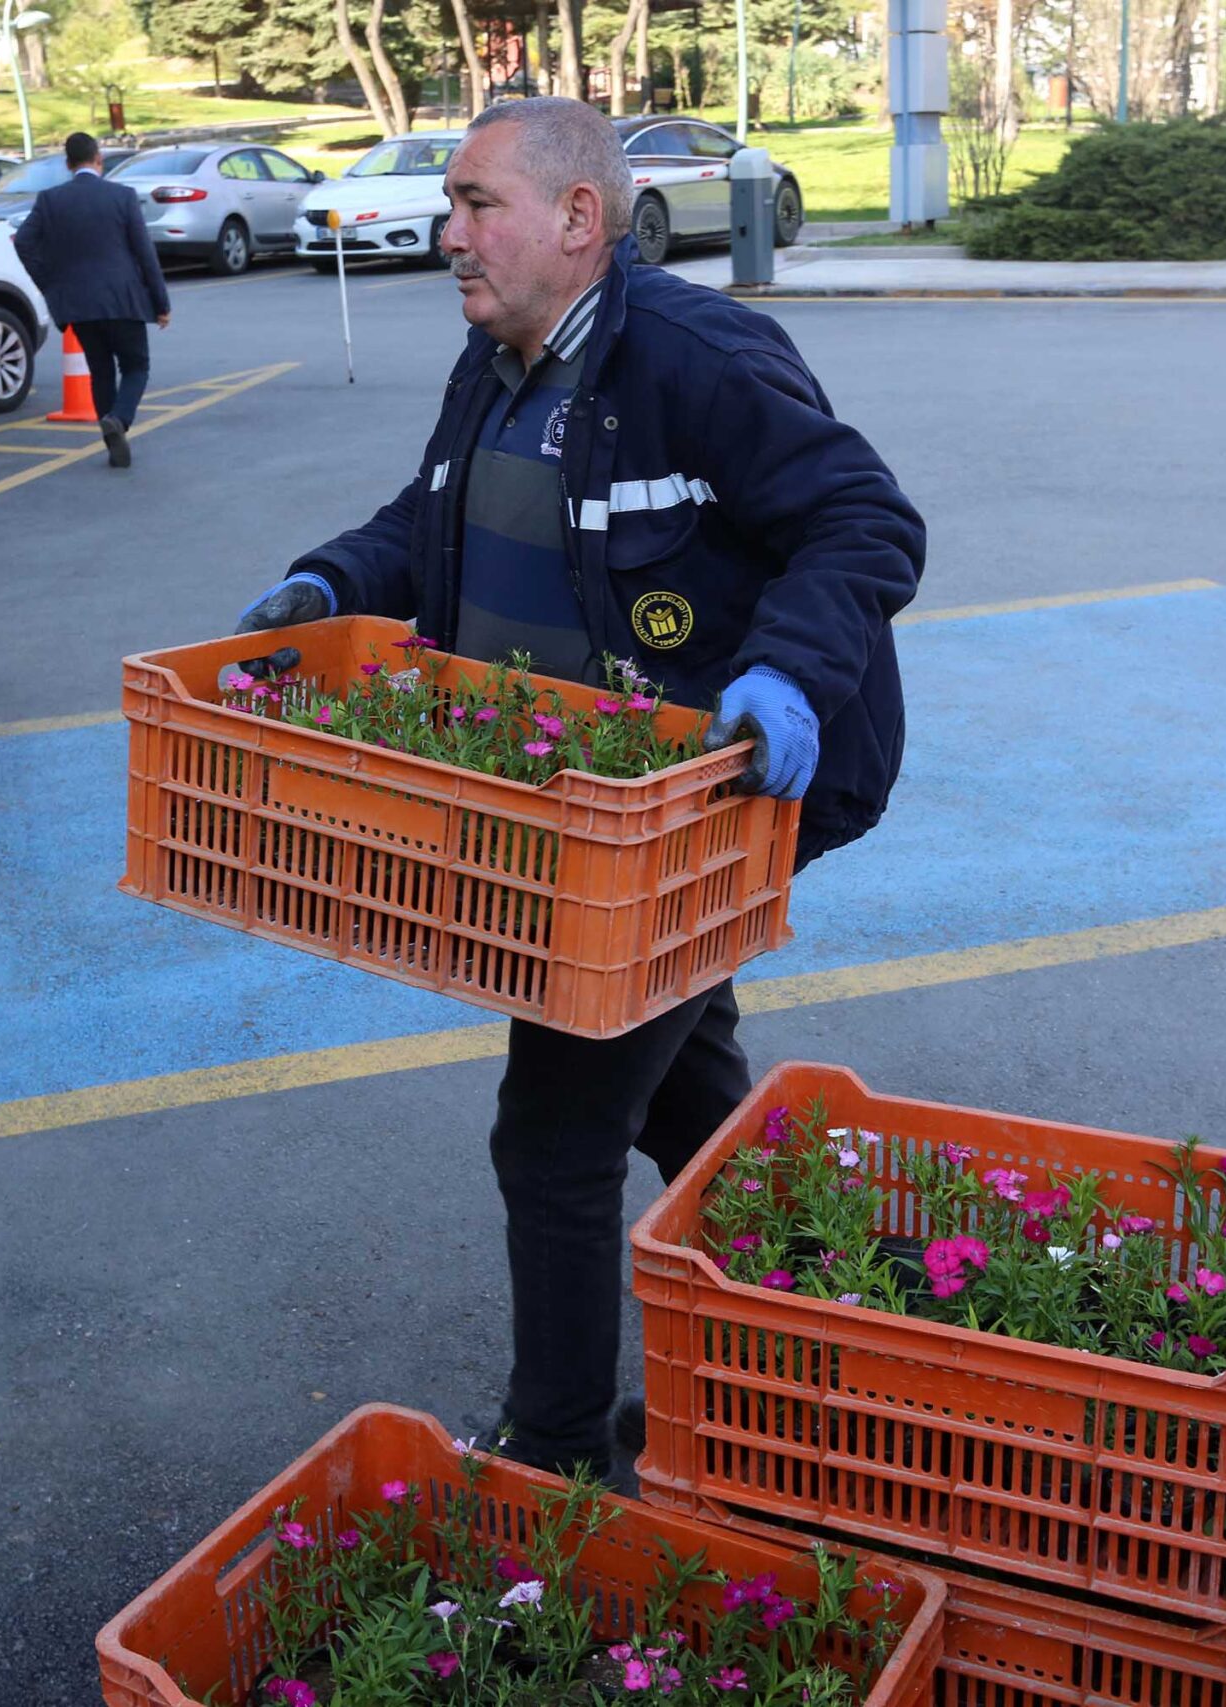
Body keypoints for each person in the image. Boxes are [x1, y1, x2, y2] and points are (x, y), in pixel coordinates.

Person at [235, 98, 924, 1477]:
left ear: (577, 220)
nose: (450, 234)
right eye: (452, 206)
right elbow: (425, 522)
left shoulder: (696, 354)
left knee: (553, 1128)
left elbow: (865, 517)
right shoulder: (495, 359)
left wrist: (786, 671)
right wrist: (330, 583)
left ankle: (554, 1447)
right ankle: (870, 1301)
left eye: (479, 203)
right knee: (681, 1081)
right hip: (588, 812)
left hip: (705, 807)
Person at [11, 132, 171, 469]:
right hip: (123, 300)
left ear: (68, 164)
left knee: (99, 371)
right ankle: (120, 419)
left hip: (78, 304)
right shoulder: (122, 197)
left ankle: (112, 440)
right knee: (135, 366)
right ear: (98, 158)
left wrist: (50, 283)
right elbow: (145, 253)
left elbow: (23, 242)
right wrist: (161, 302)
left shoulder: (50, 200)